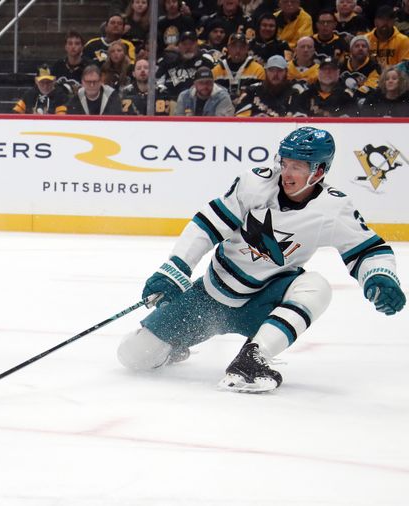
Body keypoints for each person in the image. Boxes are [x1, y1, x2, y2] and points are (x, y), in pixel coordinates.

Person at [117, 126, 405, 393]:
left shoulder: (333, 208)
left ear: (318, 172)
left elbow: (369, 250)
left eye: (298, 167)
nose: (287, 173)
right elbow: (208, 225)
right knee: (133, 356)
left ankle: (254, 357)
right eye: (285, 163)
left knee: (316, 286)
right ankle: (174, 345)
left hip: (263, 302)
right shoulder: (255, 183)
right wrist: (175, 269)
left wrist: (379, 275)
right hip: (210, 297)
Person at [236, 55, 302, 116]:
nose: (275, 74)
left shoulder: (294, 93)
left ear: (286, 72)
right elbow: (239, 117)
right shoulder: (252, 91)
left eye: (280, 70)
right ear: (266, 71)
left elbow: (300, 118)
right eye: (271, 70)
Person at [212, 33, 265, 105]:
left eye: (242, 46)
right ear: (228, 48)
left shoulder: (258, 70)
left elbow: (260, 96)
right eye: (234, 46)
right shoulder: (217, 70)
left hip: (247, 109)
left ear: (247, 48)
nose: (238, 50)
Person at [50, 30, 89, 97]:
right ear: (65, 47)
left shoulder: (89, 67)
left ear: (82, 47)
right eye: (70, 43)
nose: (73, 46)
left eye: (77, 43)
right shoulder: (57, 65)